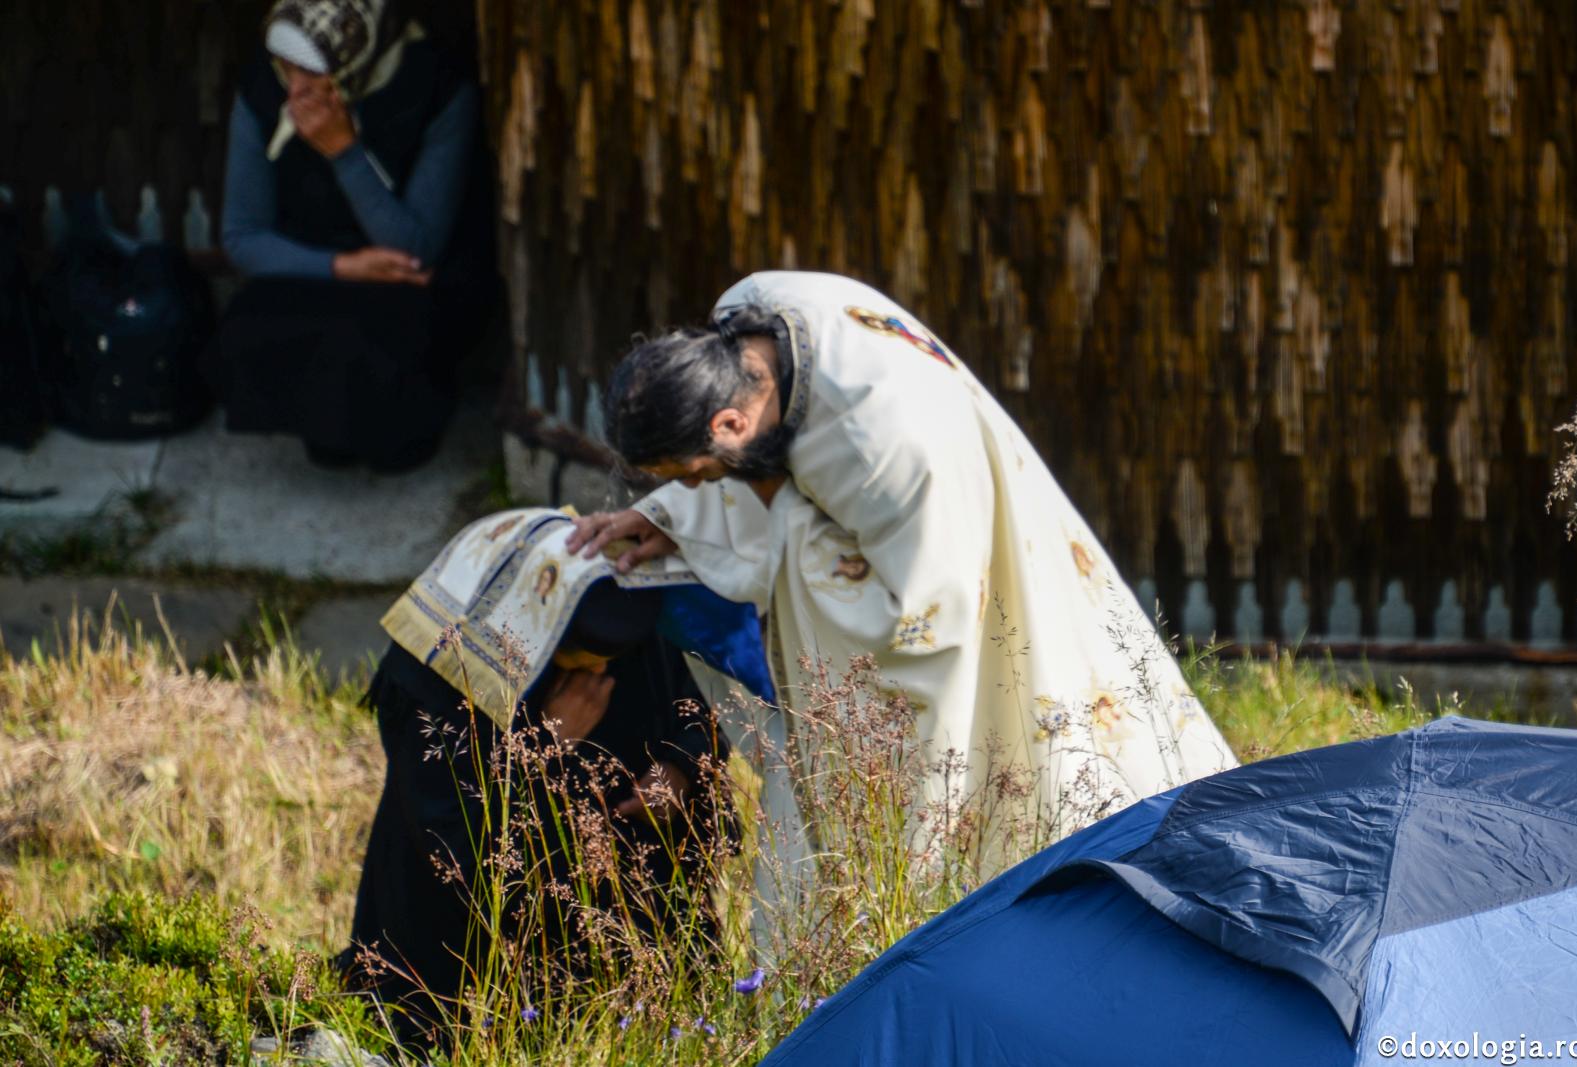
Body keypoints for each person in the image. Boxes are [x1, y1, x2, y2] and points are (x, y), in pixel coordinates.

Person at [568, 271, 1238, 853]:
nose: (698, 489)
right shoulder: (752, 315)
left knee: (1034, 772)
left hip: (962, 561)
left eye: (695, 476)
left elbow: (920, 622)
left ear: (730, 425)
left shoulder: (879, 453)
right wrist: (671, 518)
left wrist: (760, 525)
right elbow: (766, 474)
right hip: (932, 509)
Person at [344, 508, 749, 1047]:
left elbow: (695, 704)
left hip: (628, 905)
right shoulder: (437, 678)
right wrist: (546, 746)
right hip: (472, 945)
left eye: (611, 660)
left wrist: (680, 769)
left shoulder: (629, 607)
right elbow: (458, 851)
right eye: (578, 659)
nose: (598, 674)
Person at [210, 0, 495, 472]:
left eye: (312, 70)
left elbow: (414, 250)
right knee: (254, 326)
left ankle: (405, 430)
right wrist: (343, 267)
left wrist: (344, 151)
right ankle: (326, 431)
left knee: (391, 335)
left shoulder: (436, 86)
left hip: (410, 274)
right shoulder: (263, 85)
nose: (295, 88)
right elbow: (242, 236)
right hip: (321, 259)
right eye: (286, 65)